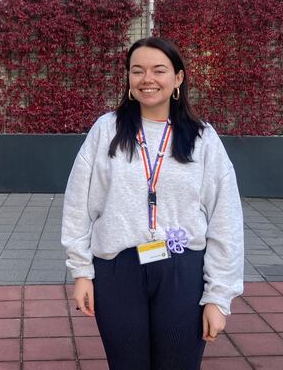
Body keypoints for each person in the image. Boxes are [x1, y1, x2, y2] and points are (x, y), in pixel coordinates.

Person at [61, 36, 244, 370]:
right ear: (129, 79)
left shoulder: (202, 138)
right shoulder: (107, 130)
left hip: (182, 270)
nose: (148, 79)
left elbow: (225, 219)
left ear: (178, 78)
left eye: (159, 70)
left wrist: (219, 297)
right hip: (118, 270)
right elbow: (78, 205)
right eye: (137, 71)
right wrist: (81, 272)